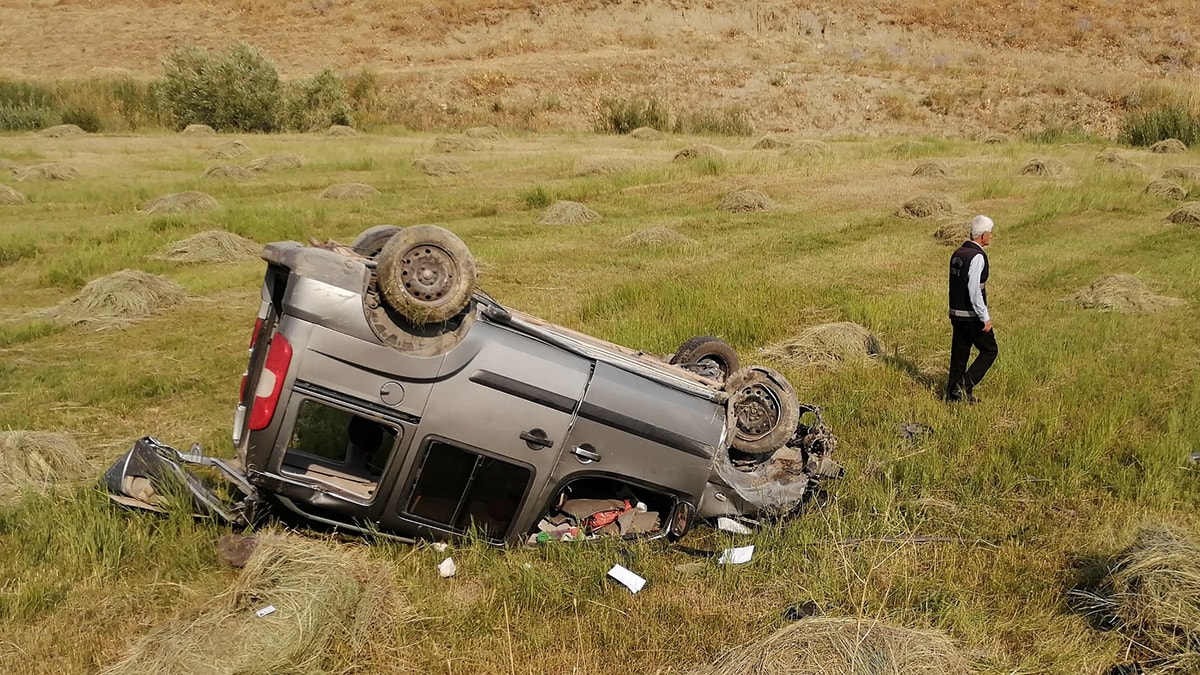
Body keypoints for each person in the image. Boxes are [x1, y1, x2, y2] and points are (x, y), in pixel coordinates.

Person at [945, 215, 998, 403]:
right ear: (983, 236)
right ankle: (963, 387)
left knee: (960, 354)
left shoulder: (958, 253)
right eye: (990, 234)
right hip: (970, 316)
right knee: (990, 350)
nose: (991, 237)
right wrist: (985, 317)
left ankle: (951, 395)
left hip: (956, 313)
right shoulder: (977, 256)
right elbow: (974, 289)